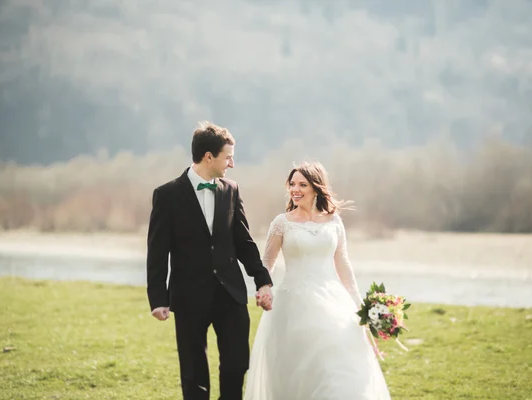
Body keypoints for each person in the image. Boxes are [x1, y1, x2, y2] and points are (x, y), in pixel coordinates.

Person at [146, 121, 273, 400]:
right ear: (208, 157)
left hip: (231, 294)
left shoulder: (231, 190)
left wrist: (262, 280)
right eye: (228, 157)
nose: (232, 164)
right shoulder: (167, 195)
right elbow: (157, 252)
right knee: (193, 374)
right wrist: (158, 298)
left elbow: (244, 241)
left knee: (237, 364)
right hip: (190, 296)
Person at [244, 161, 391, 400]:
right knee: (296, 370)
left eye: (302, 184)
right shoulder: (282, 223)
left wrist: (358, 305)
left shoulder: (334, 222)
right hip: (292, 305)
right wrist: (263, 288)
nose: (295, 189)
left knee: (336, 365)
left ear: (316, 187)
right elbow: (266, 263)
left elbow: (343, 265)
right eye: (292, 184)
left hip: (332, 301)